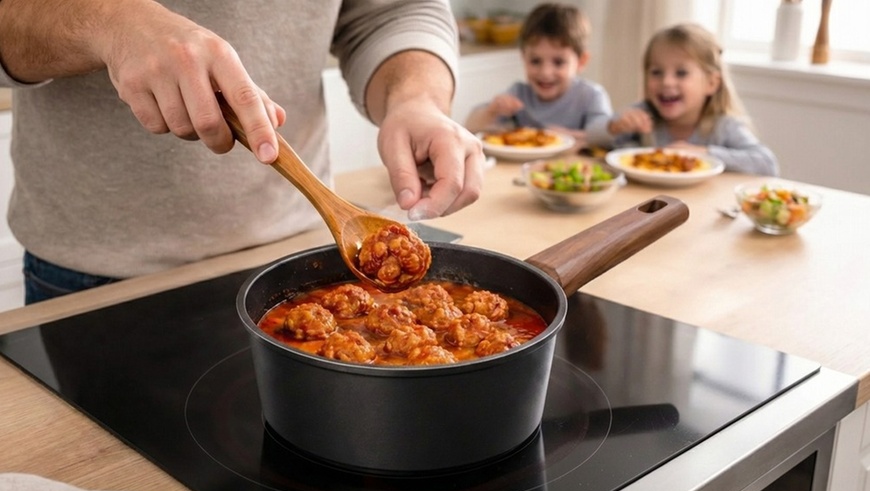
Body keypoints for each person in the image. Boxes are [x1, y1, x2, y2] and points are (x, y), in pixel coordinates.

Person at [0, 0, 484, 305]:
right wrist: (108, 20)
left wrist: (416, 98)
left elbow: (393, 10)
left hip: (301, 248)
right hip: (92, 277)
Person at [606, 23, 779, 176]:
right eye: (656, 72)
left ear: (711, 83)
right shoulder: (643, 114)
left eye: (681, 73)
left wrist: (704, 153)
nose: (666, 82)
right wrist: (615, 127)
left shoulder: (723, 126)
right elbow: (599, 142)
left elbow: (767, 164)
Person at [463, 2, 613, 149]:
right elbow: (470, 127)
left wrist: (568, 136)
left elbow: (607, 137)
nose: (545, 72)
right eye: (535, 61)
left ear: (581, 61)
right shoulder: (519, 93)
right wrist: (492, 110)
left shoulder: (591, 96)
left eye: (558, 62)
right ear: (523, 58)